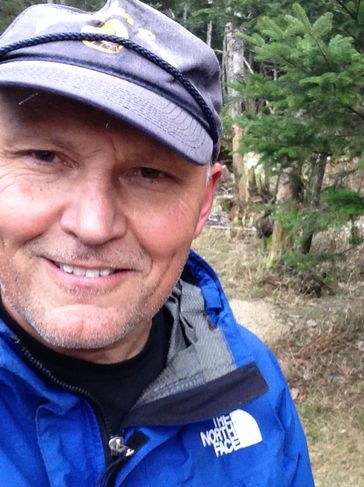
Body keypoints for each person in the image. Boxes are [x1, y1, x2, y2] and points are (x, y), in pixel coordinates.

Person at [0, 1, 313, 485]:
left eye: (148, 173)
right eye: (45, 157)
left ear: (205, 202)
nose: (93, 225)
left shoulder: (251, 384)